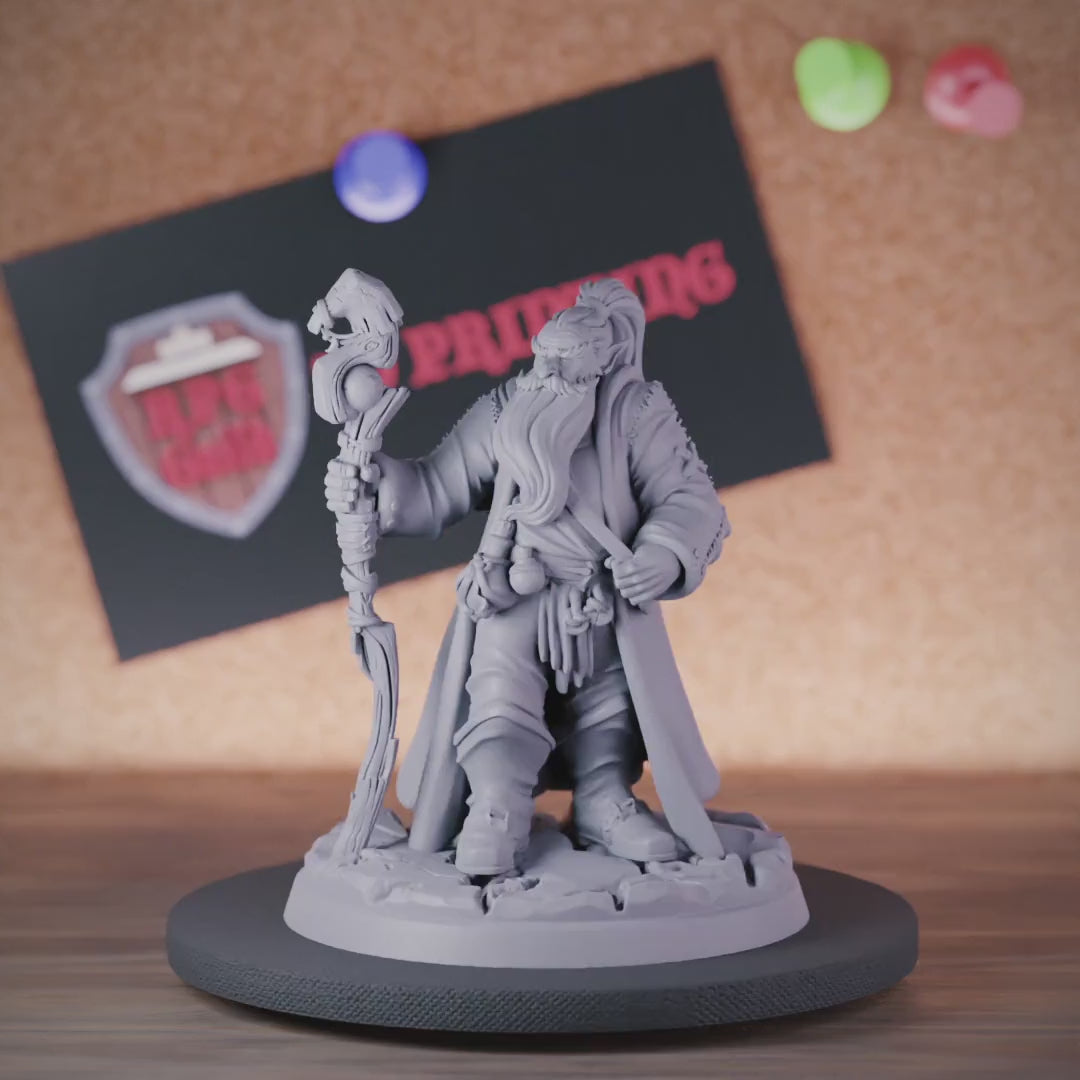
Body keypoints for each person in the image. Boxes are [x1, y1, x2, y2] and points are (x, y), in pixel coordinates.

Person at [325, 280, 730, 877]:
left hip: (602, 598)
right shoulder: (507, 409)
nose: (548, 372)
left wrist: (661, 555)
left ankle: (604, 801)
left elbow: (689, 498)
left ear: (601, 361)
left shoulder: (638, 413)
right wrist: (375, 481)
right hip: (512, 591)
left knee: (610, 707)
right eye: (543, 356)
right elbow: (435, 487)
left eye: (565, 360)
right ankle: (495, 807)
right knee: (499, 697)